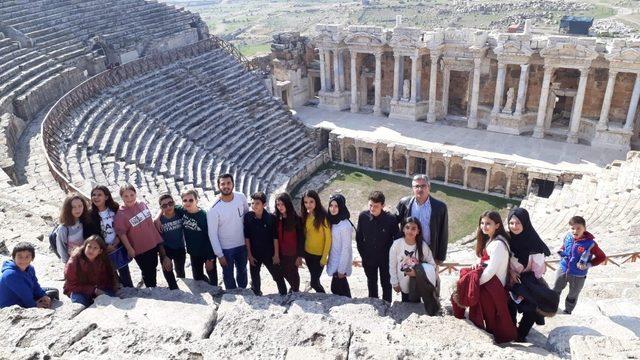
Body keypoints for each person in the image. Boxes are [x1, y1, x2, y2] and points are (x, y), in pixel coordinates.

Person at [452, 211, 517, 343]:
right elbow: (484, 259)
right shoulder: (491, 239)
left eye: (488, 223)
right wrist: (476, 265)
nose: (484, 226)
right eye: (482, 223)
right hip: (490, 282)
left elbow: (491, 271)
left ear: (497, 225)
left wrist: (474, 284)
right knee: (465, 275)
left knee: (466, 284)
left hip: (494, 286)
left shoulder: (498, 244)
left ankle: (485, 330)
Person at [507, 207, 558, 342]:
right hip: (509, 279)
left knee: (531, 308)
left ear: (525, 222)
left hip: (529, 280)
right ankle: (510, 329)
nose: (514, 226)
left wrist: (525, 284)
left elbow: (538, 270)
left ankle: (521, 334)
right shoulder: (507, 239)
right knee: (508, 304)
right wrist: (510, 271)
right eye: (511, 223)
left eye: (518, 223)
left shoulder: (534, 244)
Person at [114, 183, 174, 289]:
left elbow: (149, 221)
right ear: (121, 197)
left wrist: (157, 219)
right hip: (141, 250)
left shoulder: (142, 204)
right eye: (126, 196)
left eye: (132, 195)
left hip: (153, 242)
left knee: (154, 266)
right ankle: (151, 291)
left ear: (135, 194)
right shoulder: (121, 214)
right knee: (148, 271)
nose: (129, 198)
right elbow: (122, 234)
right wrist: (129, 249)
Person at [553, 216, 606, 314]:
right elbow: (564, 246)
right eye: (572, 228)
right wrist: (561, 250)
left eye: (578, 228)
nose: (575, 231)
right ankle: (551, 308)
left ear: (584, 229)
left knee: (572, 295)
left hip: (578, 275)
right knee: (555, 290)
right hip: (563, 268)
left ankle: (568, 311)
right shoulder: (568, 237)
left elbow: (602, 257)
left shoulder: (590, 244)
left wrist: (588, 264)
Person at [207, 174, 249, 290]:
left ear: (233, 184)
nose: (226, 186)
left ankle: (243, 291)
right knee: (228, 275)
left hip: (242, 245)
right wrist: (219, 255)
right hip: (226, 249)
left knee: (243, 271)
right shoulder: (213, 209)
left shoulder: (241, 197)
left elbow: (246, 216)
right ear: (218, 186)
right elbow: (212, 234)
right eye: (223, 184)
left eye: (228, 183)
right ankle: (231, 294)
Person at [356, 191, 400, 302]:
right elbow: (359, 239)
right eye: (370, 205)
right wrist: (364, 256)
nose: (372, 208)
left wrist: (393, 259)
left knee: (386, 284)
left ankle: (387, 306)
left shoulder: (391, 219)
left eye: (376, 206)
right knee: (371, 283)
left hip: (386, 259)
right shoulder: (363, 217)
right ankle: (374, 306)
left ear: (383, 206)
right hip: (369, 258)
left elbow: (397, 240)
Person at [389, 217, 439, 314]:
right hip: (402, 282)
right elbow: (392, 264)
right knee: (405, 307)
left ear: (418, 231)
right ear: (403, 229)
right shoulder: (396, 244)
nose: (410, 231)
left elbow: (432, 265)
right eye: (407, 227)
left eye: (413, 228)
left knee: (416, 308)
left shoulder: (423, 246)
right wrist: (394, 282)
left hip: (418, 284)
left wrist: (417, 273)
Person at [395, 175, 448, 265]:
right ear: (413, 188)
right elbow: (393, 222)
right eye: (416, 186)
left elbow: (443, 233)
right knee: (406, 277)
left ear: (429, 187)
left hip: (429, 251)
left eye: (423, 186)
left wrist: (440, 257)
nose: (420, 189)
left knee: (427, 277)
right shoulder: (404, 203)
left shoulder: (440, 207)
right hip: (408, 249)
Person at [89, 185, 133, 288]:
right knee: (112, 274)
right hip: (103, 249)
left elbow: (123, 224)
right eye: (93, 195)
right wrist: (104, 246)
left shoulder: (115, 208)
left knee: (124, 270)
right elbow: (92, 234)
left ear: (106, 197)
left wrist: (118, 238)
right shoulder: (90, 214)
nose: (96, 197)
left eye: (99, 195)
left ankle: (130, 289)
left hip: (118, 245)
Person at [244, 191, 287, 295]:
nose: (254, 206)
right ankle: (257, 293)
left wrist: (276, 255)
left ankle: (283, 294)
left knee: (277, 276)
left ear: (264, 205)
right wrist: (249, 254)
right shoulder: (248, 217)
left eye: (257, 203)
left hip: (269, 254)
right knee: (255, 277)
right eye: (252, 203)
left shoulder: (271, 218)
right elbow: (247, 237)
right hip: (255, 253)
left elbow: (275, 238)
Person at [63, 235, 117, 306]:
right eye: (89, 247)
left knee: (112, 298)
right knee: (79, 300)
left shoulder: (103, 259)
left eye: (95, 248)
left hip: (99, 288)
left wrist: (108, 289)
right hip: (80, 290)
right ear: (85, 247)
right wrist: (93, 290)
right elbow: (71, 285)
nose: (91, 250)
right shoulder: (74, 261)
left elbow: (108, 278)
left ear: (100, 251)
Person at [181, 190, 218, 285]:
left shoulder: (203, 216)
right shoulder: (182, 211)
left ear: (196, 201)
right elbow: (169, 206)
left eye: (191, 200)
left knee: (212, 277)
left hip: (207, 252)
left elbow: (211, 236)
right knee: (197, 278)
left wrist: (210, 258)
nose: (187, 203)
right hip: (194, 252)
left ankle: (216, 294)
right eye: (185, 200)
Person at [0, 242, 51, 309]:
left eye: (27, 257)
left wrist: (43, 295)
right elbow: (25, 295)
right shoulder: (10, 274)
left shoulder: (30, 268)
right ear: (13, 257)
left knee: (52, 292)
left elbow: (35, 284)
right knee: (51, 294)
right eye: (19, 256)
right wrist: (35, 305)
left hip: (27, 293)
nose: (23, 260)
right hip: (13, 304)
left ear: (32, 258)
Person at [301, 189, 331, 293]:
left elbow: (328, 238)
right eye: (305, 202)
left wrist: (324, 257)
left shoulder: (323, 216)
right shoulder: (305, 215)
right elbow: (305, 234)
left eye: (311, 202)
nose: (308, 205)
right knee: (315, 279)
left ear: (316, 201)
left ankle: (323, 297)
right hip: (308, 253)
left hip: (319, 256)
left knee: (314, 282)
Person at [274, 192, 304, 292]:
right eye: (278, 204)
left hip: (293, 253)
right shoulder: (276, 218)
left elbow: (301, 238)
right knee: (283, 272)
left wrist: (299, 256)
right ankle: (293, 289)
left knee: (293, 273)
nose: (280, 207)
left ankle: (295, 291)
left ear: (287, 204)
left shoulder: (296, 219)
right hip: (281, 253)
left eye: (282, 204)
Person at [56, 193, 97, 263]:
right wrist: (68, 264)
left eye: (80, 206)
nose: (78, 209)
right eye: (73, 207)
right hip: (75, 263)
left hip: (89, 260)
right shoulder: (63, 229)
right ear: (68, 209)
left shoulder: (84, 221)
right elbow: (61, 249)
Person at [326, 194, 353, 298]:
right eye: (331, 205)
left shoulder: (345, 225)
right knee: (336, 289)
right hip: (334, 260)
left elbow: (346, 249)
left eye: (336, 206)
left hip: (340, 265)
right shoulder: (332, 221)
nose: (333, 209)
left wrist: (342, 270)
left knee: (340, 291)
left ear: (341, 207)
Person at [156, 194, 187, 280]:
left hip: (180, 248)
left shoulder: (180, 213)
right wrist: (164, 256)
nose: (168, 206)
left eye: (170, 203)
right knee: (168, 273)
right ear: (161, 207)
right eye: (164, 205)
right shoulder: (159, 221)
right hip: (166, 250)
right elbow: (159, 241)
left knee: (181, 273)